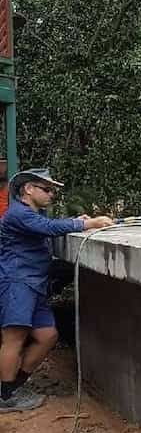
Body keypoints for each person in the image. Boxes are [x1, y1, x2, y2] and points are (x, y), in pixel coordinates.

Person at [0, 169, 114, 412]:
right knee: (14, 338)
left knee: (48, 336)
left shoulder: (33, 215)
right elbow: (49, 227)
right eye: (46, 189)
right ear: (28, 189)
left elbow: (48, 226)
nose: (51, 194)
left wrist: (80, 222)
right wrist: (88, 223)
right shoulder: (18, 213)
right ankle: (5, 396)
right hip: (17, 283)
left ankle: (14, 387)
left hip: (35, 285)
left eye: (52, 191)